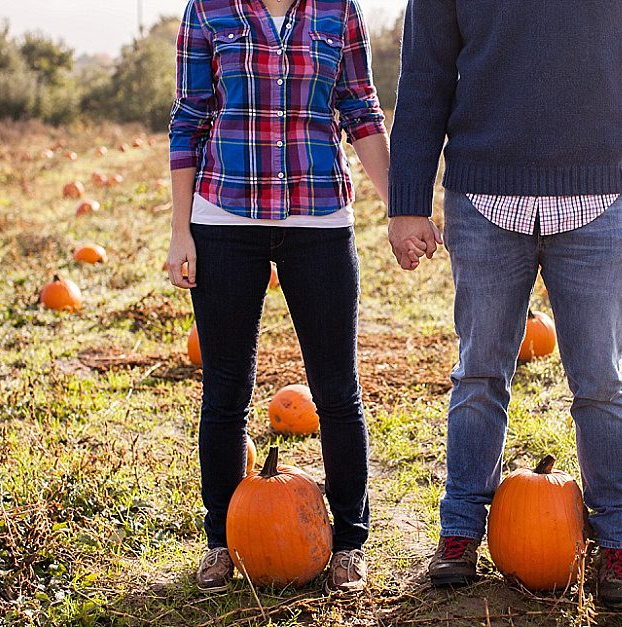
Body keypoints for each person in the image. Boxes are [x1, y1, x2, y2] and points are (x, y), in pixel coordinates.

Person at [386, 0, 622, 609]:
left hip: (598, 199)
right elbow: (424, 76)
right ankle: (460, 533)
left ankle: (618, 545)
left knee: (603, 384)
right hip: (482, 197)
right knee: (478, 375)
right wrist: (406, 201)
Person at [167, 0, 389, 595]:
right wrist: (180, 229)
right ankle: (220, 540)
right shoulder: (208, 9)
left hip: (319, 216)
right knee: (225, 390)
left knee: (337, 390)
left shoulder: (338, 9)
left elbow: (359, 107)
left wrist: (401, 206)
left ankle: (347, 544)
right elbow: (189, 116)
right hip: (223, 216)